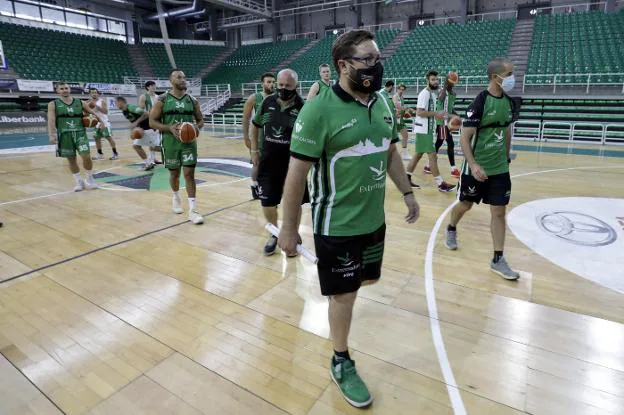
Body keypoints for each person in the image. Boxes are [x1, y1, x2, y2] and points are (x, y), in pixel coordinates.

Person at [278, 30, 419, 408]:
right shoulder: (318, 109)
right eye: (368, 59)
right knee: (345, 294)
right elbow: (296, 175)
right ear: (343, 65)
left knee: (362, 282)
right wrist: (289, 228)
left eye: (377, 57)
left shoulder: (383, 101)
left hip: (374, 222)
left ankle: (343, 321)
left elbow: (389, 151)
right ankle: (341, 359)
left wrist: (406, 191)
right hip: (335, 226)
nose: (377, 64)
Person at [445, 58, 521, 280]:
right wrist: (474, 164)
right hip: (476, 168)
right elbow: (465, 138)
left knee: (499, 212)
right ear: (494, 77)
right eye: (508, 74)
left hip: (499, 169)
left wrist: (506, 157)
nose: (512, 78)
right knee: (466, 204)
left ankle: (498, 259)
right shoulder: (480, 102)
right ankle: (451, 227)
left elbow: (506, 131)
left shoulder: (508, 102)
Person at [250, 69, 307, 255]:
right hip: (268, 162)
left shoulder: (302, 107)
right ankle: (274, 233)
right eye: (280, 85)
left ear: (295, 86)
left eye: (287, 86)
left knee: (294, 202)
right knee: (267, 203)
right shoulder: (267, 102)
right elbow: (255, 125)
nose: (283, 89)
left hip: (293, 165)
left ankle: (292, 233)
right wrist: (254, 150)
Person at [149, 69, 205, 225]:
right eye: (178, 77)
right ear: (171, 81)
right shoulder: (162, 99)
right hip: (170, 142)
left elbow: (200, 120)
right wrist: (169, 128)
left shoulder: (192, 100)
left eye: (184, 77)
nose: (182, 80)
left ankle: (193, 210)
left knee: (189, 174)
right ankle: (176, 196)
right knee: (174, 174)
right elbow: (152, 122)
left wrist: (196, 127)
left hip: (188, 143)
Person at [405, 70, 456, 192]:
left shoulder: (433, 94)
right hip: (423, 129)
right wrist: (435, 113)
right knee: (433, 156)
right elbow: (419, 112)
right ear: (427, 80)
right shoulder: (425, 94)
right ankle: (441, 184)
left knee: (417, 155)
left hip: (426, 129)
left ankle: (406, 179)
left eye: (437, 79)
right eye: (433, 79)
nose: (435, 81)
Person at [47, 81, 102, 191]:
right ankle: (78, 181)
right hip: (64, 135)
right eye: (62, 88)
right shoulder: (53, 104)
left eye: (66, 88)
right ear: (57, 91)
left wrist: (101, 122)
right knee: (71, 160)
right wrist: (51, 135)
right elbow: (51, 120)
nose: (64, 90)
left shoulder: (80, 102)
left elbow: (92, 113)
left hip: (80, 133)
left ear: (69, 89)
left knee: (86, 156)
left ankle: (89, 178)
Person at [242, 72, 275, 199]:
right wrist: (246, 138)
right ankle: (255, 186)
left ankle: (267, 186)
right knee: (257, 164)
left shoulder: (276, 98)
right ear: (262, 83)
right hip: (258, 138)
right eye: (268, 82)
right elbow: (245, 119)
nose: (271, 84)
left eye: (273, 82)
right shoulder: (254, 98)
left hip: (272, 137)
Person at [424, 72, 460, 178]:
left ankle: (428, 165)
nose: (452, 84)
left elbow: (449, 108)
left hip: (446, 123)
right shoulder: (443, 92)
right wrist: (445, 85)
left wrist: (456, 115)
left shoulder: (453, 94)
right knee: (450, 144)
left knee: (438, 144)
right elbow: (440, 98)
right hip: (442, 123)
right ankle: (453, 169)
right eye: (451, 81)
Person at [116, 96, 161, 171]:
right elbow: (133, 122)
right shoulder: (124, 111)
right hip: (144, 129)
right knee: (148, 147)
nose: (116, 105)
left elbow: (146, 114)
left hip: (149, 129)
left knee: (141, 146)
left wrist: (136, 123)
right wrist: (132, 131)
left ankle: (170, 151)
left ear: (121, 102)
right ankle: (149, 163)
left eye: (116, 103)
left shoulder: (131, 108)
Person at [88, 88, 119, 160]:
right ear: (90, 94)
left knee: (109, 138)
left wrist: (98, 107)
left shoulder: (102, 101)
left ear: (98, 93)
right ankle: (100, 154)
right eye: (92, 93)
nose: (94, 94)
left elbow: (106, 112)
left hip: (104, 123)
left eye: (95, 92)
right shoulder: (89, 102)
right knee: (96, 138)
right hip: (96, 123)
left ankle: (115, 153)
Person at [138, 80, 162, 165]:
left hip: (156, 120)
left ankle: (153, 158)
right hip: (147, 120)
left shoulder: (157, 97)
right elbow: (140, 109)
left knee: (154, 140)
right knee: (151, 141)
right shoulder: (143, 96)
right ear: (148, 87)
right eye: (152, 85)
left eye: (154, 85)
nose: (154, 87)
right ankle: (151, 160)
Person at [392, 83, 412, 160]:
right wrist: (407, 108)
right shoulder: (395, 96)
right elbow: (397, 106)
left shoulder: (402, 97)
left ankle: (404, 153)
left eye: (403, 89)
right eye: (400, 89)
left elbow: (401, 109)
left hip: (400, 119)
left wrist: (405, 113)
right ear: (397, 89)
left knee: (405, 135)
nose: (401, 90)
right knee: (391, 138)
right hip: (395, 119)